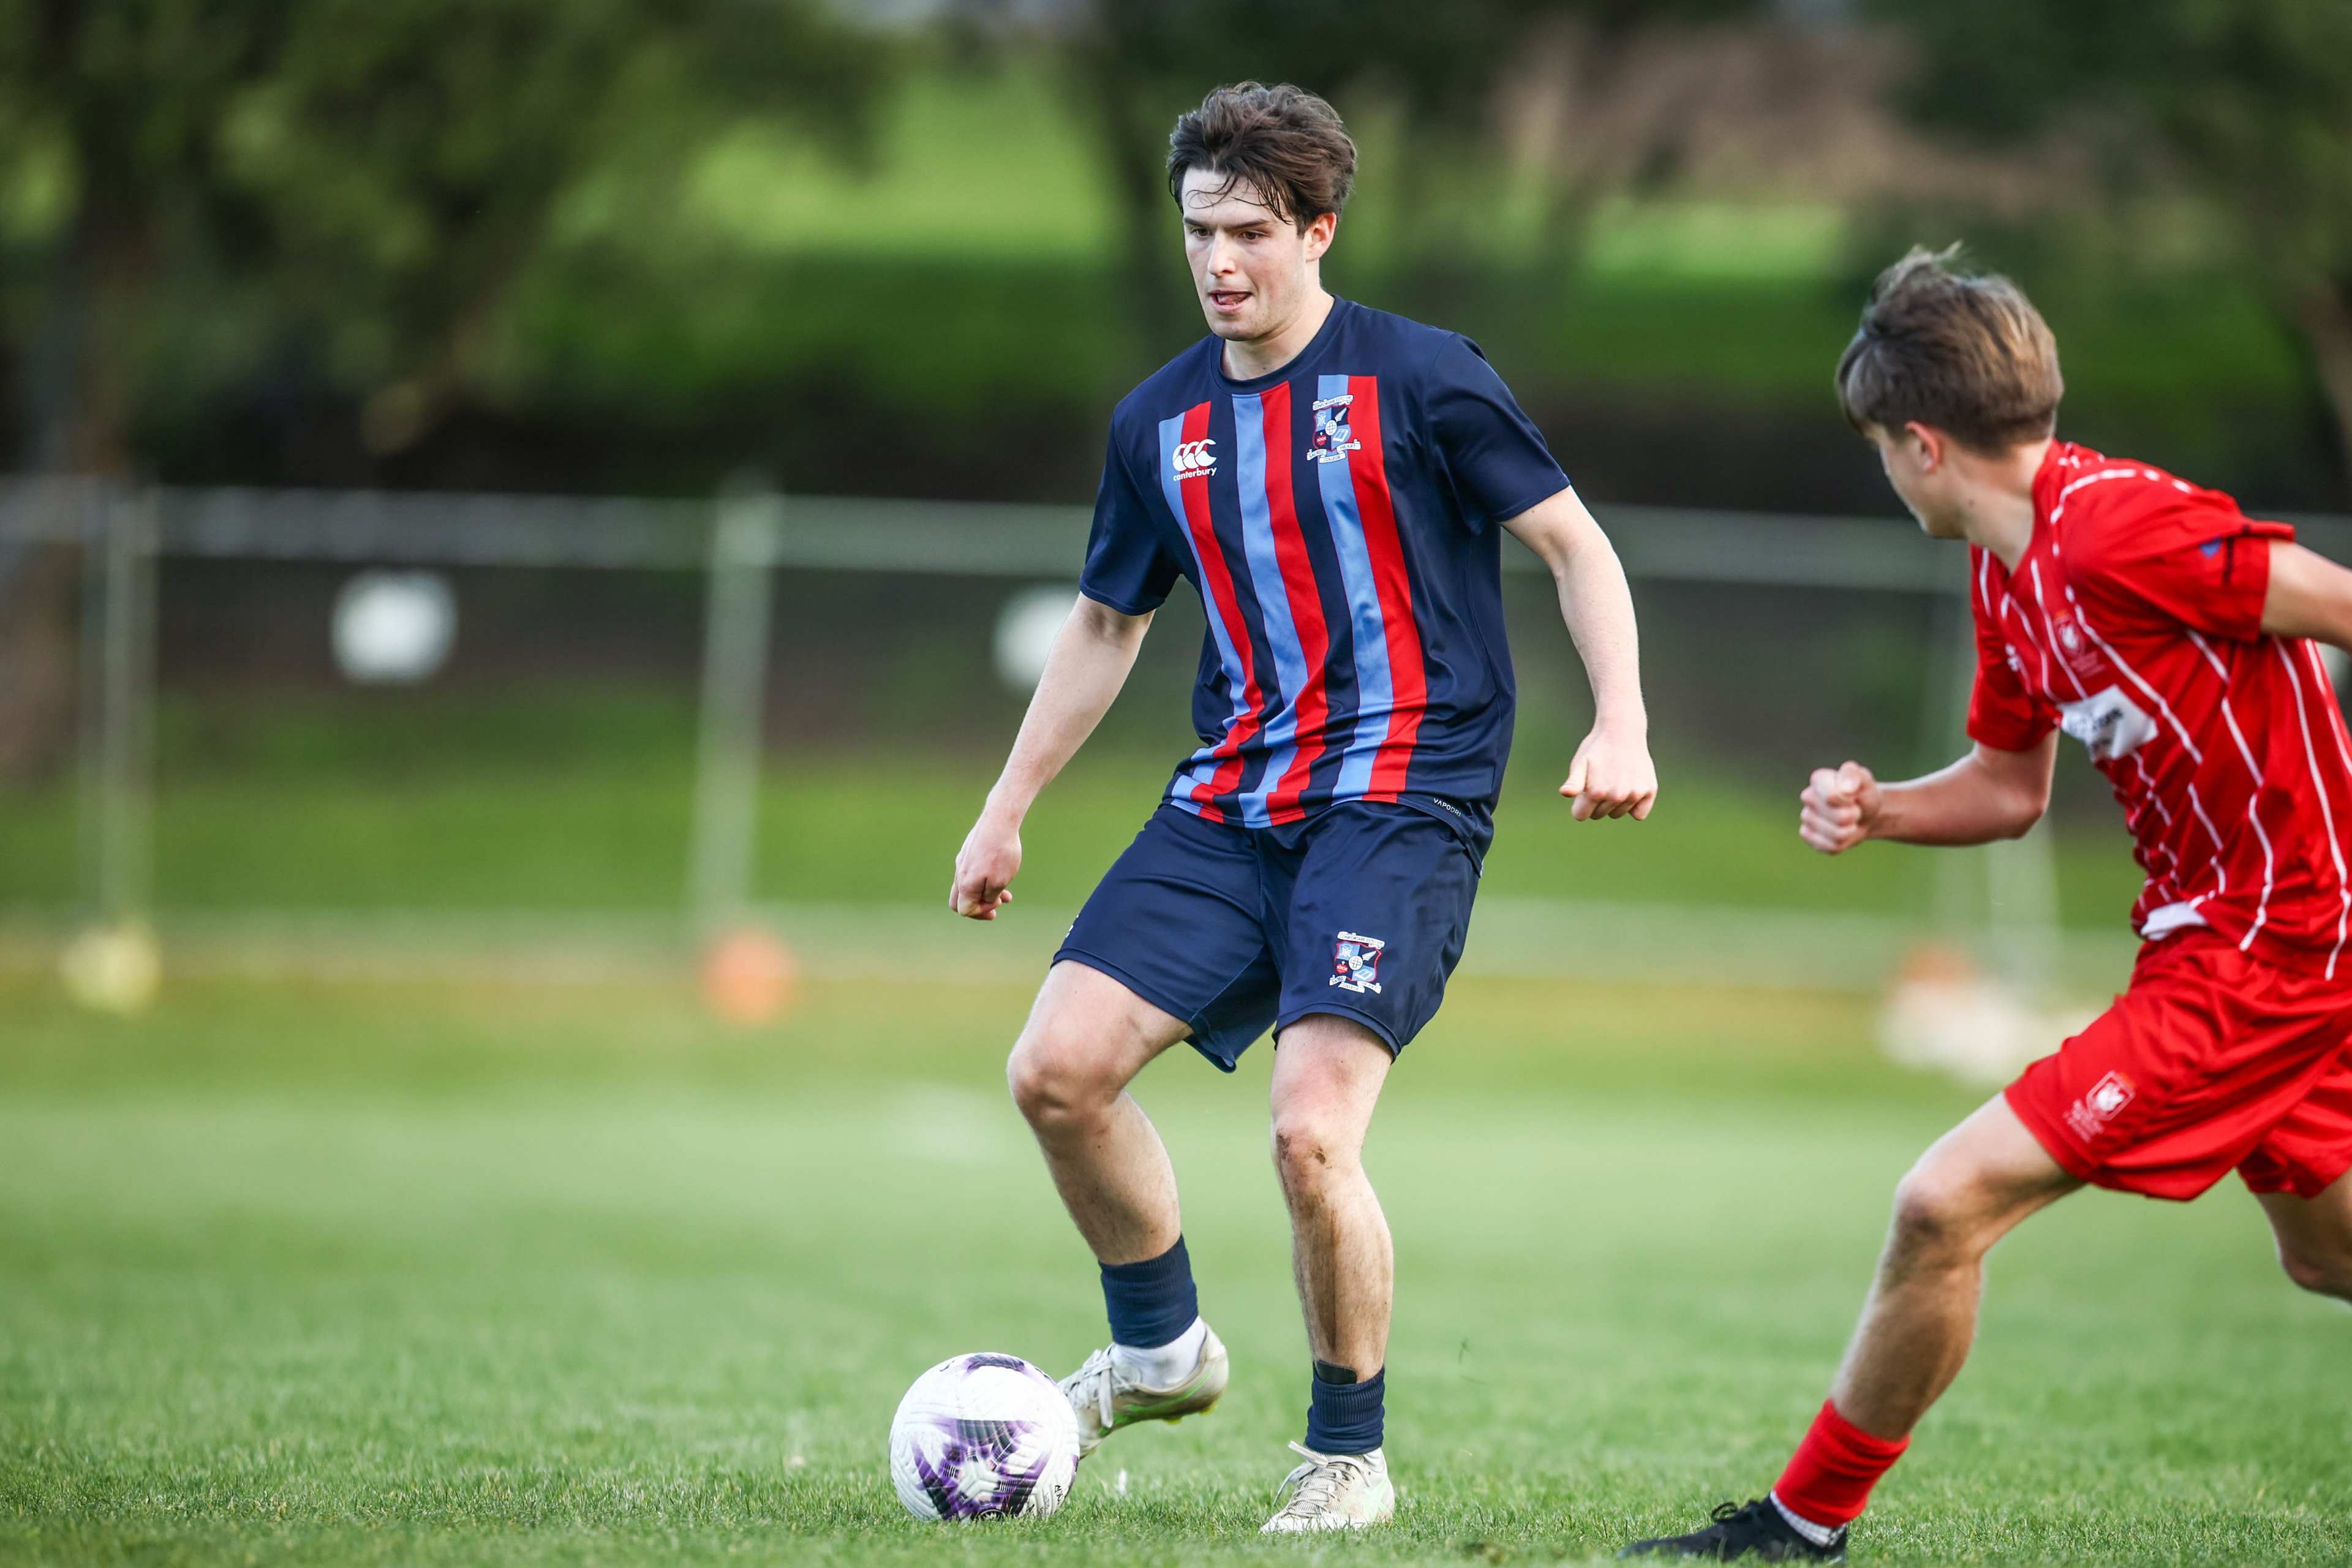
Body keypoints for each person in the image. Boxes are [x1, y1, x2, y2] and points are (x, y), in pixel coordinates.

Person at [949, 81, 1656, 1533]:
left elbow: (1574, 545)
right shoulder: (1158, 422)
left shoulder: (1425, 377)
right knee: (1055, 1072)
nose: (1220, 261)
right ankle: (1161, 1351)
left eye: (1252, 233)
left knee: (1310, 1131)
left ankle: (1346, 1456)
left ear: (1320, 230)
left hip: (1401, 804)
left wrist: (1621, 721)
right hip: (1232, 802)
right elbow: (1107, 622)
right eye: (1200, 231)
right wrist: (1006, 805)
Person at [1623, 247, 2352, 1562]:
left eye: (1880, 453)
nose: (1887, 475)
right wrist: (1881, 807)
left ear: (1922, 444)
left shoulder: (2123, 527)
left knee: (1942, 1200)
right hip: (2214, 942)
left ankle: (1798, 1524)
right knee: (2327, 1254)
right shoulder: (2010, 571)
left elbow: (2334, 602)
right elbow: (2011, 789)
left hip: (2275, 949)